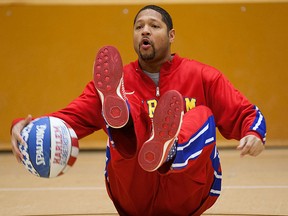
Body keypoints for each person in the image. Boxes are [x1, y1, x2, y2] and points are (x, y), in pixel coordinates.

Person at [11, 5, 266, 216]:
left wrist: (254, 133)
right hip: (133, 189)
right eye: (139, 26)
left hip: (188, 191)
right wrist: (23, 128)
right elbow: (66, 120)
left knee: (200, 115)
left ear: (171, 35)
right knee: (128, 108)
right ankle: (126, 127)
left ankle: (170, 149)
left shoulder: (202, 76)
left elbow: (247, 113)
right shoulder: (117, 81)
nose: (145, 30)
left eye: (154, 26)